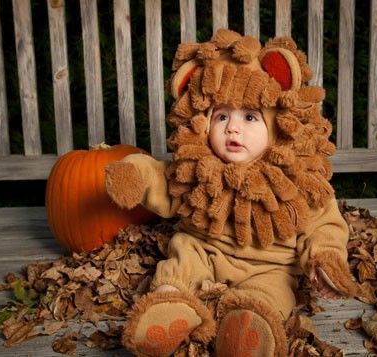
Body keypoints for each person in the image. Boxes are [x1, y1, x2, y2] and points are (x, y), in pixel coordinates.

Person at [105, 29, 359, 357]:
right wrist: (135, 174)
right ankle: (170, 307)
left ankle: (246, 329)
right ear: (203, 121)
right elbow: (164, 183)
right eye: (221, 116)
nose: (232, 128)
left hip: (269, 267)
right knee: (183, 263)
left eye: (250, 117)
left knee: (272, 294)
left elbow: (324, 223)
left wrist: (324, 258)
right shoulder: (197, 167)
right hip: (206, 251)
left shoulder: (294, 178)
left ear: (279, 125)